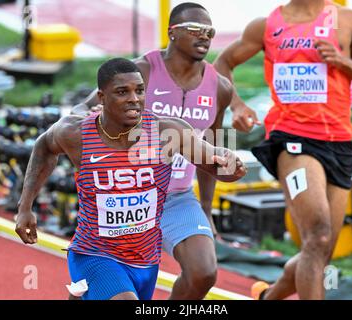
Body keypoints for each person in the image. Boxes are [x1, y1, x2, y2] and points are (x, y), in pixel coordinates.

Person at [15, 58, 246, 300]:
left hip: (145, 260)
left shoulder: (168, 132)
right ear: (102, 98)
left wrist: (231, 165)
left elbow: (213, 163)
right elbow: (43, 147)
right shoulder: (76, 133)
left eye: (139, 90)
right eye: (122, 92)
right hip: (95, 254)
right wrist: (25, 207)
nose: (134, 98)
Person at [72, 3, 252, 300]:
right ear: (171, 33)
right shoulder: (141, 71)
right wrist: (90, 114)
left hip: (176, 198)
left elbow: (214, 149)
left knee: (204, 272)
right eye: (194, 29)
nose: (204, 36)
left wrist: (206, 209)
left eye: (209, 31)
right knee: (117, 284)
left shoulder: (219, 87)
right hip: (127, 196)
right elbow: (80, 110)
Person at [214, 0, 352, 300]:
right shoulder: (266, 25)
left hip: (339, 141)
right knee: (317, 236)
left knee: (321, 251)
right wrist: (236, 104)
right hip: (291, 138)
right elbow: (222, 64)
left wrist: (343, 62)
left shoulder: (348, 20)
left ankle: (269, 297)